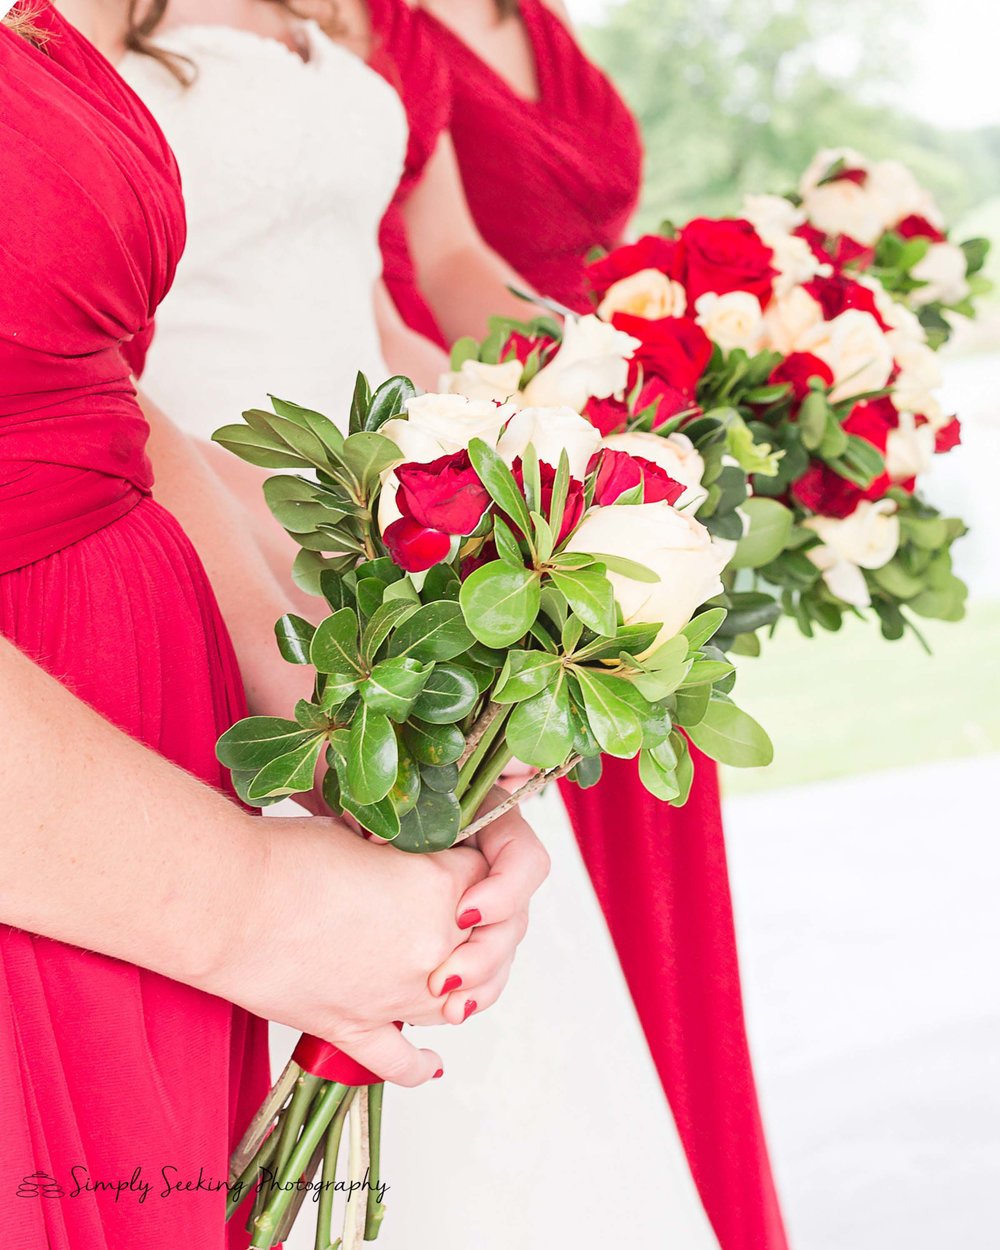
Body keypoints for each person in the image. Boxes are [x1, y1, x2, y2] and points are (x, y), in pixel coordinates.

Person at [0, 6, 547, 1247]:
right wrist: (251, 903)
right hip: (79, 842)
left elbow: (98, 391)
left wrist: (329, 714)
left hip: (150, 792)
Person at [410, 5, 791, 1250]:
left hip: (599, 439)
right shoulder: (375, 29)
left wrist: (649, 389)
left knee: (660, 928)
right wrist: (566, 407)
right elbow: (424, 272)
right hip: (496, 458)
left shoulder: (537, 24)